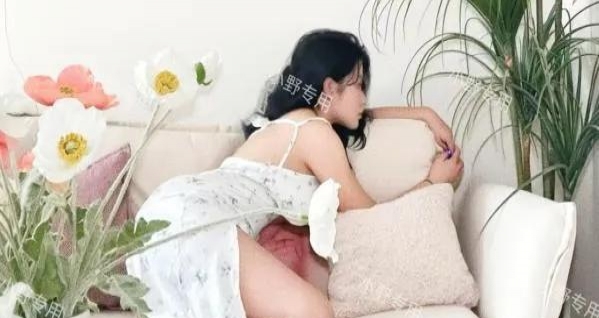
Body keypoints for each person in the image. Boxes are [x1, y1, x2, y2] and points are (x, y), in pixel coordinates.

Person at [126, 29, 464, 318]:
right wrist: (431, 183)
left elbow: (357, 112)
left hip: (166, 214)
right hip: (196, 221)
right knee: (316, 312)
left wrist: (424, 114)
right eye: (359, 85)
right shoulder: (316, 133)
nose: (363, 98)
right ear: (330, 88)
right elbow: (367, 216)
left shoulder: (289, 123)